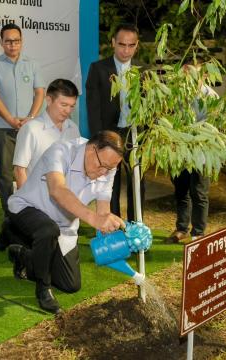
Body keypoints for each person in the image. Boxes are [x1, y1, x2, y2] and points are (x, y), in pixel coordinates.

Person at [6, 131, 125, 314]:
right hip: (29, 208)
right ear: (91, 149)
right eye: (102, 166)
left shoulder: (109, 166)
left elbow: (103, 210)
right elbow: (57, 190)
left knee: (70, 284)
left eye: (109, 169)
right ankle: (43, 289)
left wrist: (113, 230)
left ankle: (24, 256)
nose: (103, 173)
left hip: (64, 225)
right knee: (47, 230)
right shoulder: (61, 151)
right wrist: (93, 219)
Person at [0, 79, 80, 252]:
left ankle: (14, 234)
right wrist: (29, 208)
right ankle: (14, 233)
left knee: (61, 250)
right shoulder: (31, 129)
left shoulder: (73, 129)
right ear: (48, 100)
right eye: (63, 104)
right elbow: (20, 170)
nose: (67, 111)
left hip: (63, 198)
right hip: (38, 201)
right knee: (42, 247)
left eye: (72, 106)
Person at [0, 23, 45, 217]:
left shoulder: (33, 64)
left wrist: (31, 118)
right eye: (8, 41)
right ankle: (9, 213)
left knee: (31, 168)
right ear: (1, 42)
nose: (13, 45)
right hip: (4, 127)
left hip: (29, 127)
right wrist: (11, 120)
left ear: (21, 41)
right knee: (5, 173)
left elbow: (40, 93)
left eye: (16, 41)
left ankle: (31, 208)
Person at [86, 23, 145, 221]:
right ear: (113, 43)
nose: (126, 50)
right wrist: (98, 141)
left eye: (131, 45)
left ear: (137, 45)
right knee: (109, 184)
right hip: (109, 134)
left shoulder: (143, 71)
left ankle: (135, 226)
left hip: (135, 134)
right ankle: (111, 225)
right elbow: (92, 109)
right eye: (122, 44)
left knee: (137, 182)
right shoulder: (98, 69)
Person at [166, 59, 218, 243]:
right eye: (186, 73)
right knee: (181, 191)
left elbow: (211, 130)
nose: (188, 77)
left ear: (204, 74)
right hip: (179, 151)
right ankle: (181, 228)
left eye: (194, 73)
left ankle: (198, 233)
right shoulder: (175, 96)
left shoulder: (211, 97)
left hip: (201, 153)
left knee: (199, 192)